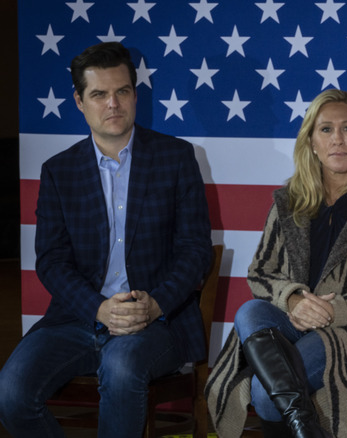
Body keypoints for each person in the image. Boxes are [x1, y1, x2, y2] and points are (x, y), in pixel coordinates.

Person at [0, 42, 212, 438]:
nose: (113, 103)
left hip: (157, 323)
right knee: (10, 393)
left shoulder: (177, 157)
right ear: (80, 101)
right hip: (78, 319)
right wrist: (98, 309)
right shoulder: (59, 171)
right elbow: (50, 259)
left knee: (121, 367)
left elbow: (195, 250)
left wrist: (155, 304)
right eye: (99, 94)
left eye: (123, 91)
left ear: (135, 94)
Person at [205, 89, 347, 438]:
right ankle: (308, 429)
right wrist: (293, 300)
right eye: (326, 129)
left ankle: (304, 429)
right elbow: (260, 273)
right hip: (293, 321)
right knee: (249, 313)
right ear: (311, 142)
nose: (337, 139)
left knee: (265, 394)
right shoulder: (288, 202)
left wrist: (335, 310)